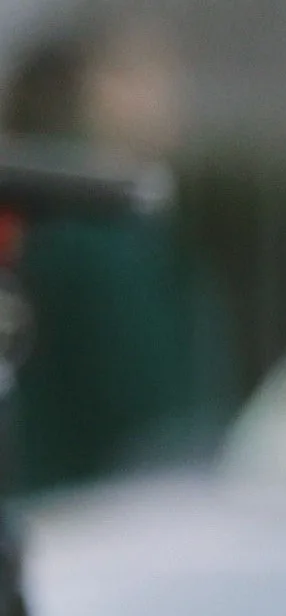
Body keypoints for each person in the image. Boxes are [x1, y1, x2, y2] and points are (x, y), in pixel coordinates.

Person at [1, 18, 231, 493]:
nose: (171, 92)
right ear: (95, 88)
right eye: (147, 72)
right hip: (90, 515)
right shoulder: (88, 225)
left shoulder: (92, 213)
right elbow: (152, 406)